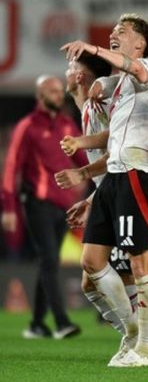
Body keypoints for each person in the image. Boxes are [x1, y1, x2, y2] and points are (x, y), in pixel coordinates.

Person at [59, 56, 148, 364]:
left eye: (71, 67)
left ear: (82, 76)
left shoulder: (104, 106)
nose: (66, 71)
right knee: (92, 278)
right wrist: (93, 198)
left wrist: (83, 173)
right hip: (110, 192)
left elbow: (117, 149)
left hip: (129, 188)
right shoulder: (87, 109)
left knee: (126, 277)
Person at [58, 13, 148, 367]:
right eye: (114, 31)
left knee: (140, 262)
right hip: (116, 174)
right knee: (91, 261)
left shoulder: (147, 70)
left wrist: (92, 48)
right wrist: (84, 166)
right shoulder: (120, 86)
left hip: (139, 172)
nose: (115, 35)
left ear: (140, 44)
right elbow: (112, 138)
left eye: (123, 32)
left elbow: (130, 67)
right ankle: (133, 331)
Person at [1, 75, 86, 340]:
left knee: (48, 262)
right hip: (36, 202)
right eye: (52, 91)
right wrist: (9, 208)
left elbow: (83, 159)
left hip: (64, 205)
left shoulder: (67, 125)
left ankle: (37, 323)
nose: (58, 95)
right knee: (49, 259)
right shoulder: (27, 126)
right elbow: (12, 167)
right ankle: (61, 322)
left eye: (61, 91)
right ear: (40, 95)